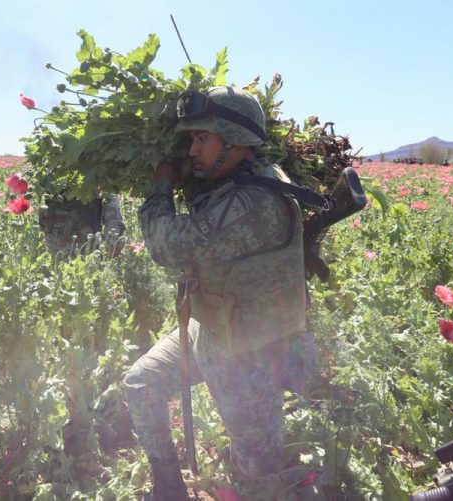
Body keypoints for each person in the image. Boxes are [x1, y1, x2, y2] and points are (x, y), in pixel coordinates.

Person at [123, 86, 318, 500]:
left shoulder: (252, 202)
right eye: (191, 139)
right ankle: (168, 487)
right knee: (141, 383)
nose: (192, 150)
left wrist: (162, 185)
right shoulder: (237, 181)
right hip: (212, 332)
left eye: (202, 138)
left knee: (258, 471)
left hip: (250, 354)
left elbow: (165, 246)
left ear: (235, 140)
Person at [38, 193, 125, 259]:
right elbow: (113, 216)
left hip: (55, 243)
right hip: (82, 244)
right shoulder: (99, 177)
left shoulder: (56, 176)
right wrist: (112, 244)